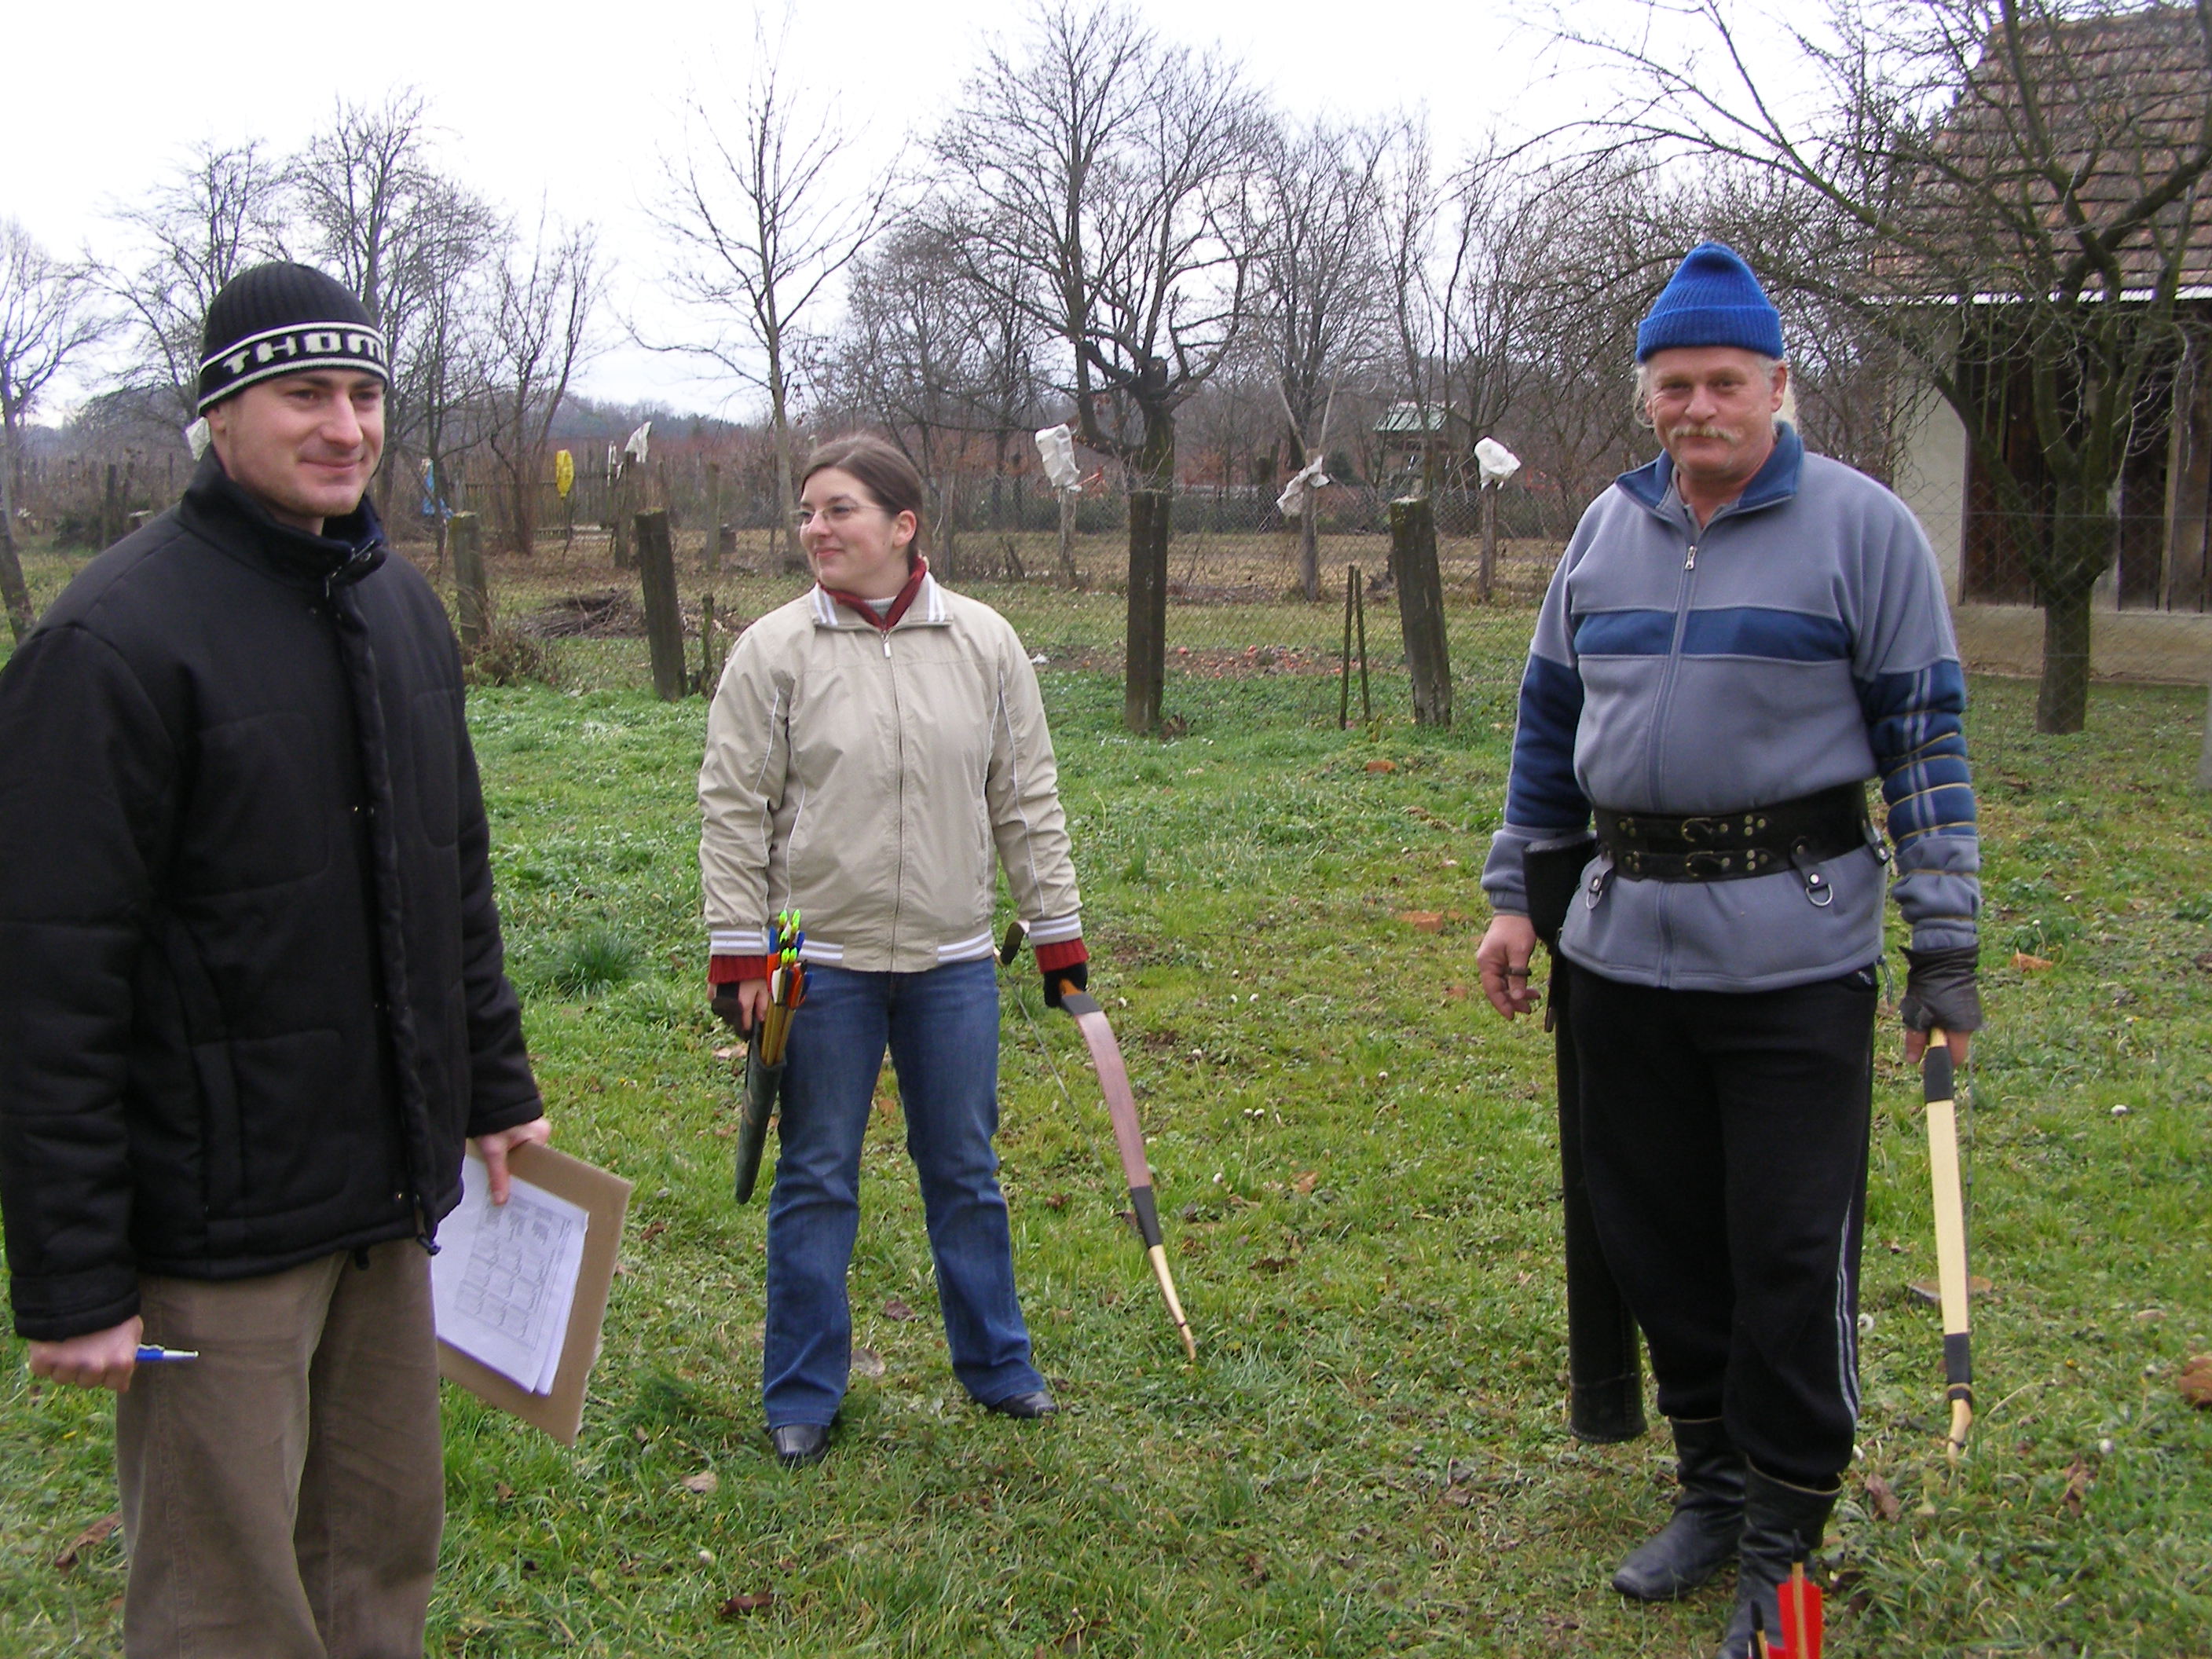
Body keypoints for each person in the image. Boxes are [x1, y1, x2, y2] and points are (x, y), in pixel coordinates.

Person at [0, 261, 550, 1658]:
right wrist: (73, 1273)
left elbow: (453, 876)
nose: (345, 427)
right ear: (220, 415)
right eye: (305, 394)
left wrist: (494, 1085)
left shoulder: (402, 608)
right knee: (224, 1595)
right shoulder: (112, 643)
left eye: (365, 393)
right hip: (215, 1232)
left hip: (386, 1201)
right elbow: (47, 977)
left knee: (379, 1551)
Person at [1474, 243, 1983, 1658]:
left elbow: (1925, 748)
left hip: (1793, 963)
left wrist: (1945, 946)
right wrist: (1517, 896)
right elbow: (1547, 729)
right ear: (1648, 394)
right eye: (1674, 385)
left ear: (1777, 385)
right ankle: (1709, 1484)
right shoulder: (1602, 534)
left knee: (1786, 1250)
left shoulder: (1865, 531)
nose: (1697, 407)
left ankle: (1786, 1536)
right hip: (1621, 952)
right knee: (1655, 1237)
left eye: (1723, 382)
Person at [698, 434, 1086, 1467]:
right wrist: (740, 952)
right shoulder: (773, 652)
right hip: (811, 957)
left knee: (964, 1168)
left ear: (903, 525)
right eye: (807, 513)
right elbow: (734, 809)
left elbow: (1026, 798)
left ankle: (999, 1367)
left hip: (954, 957)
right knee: (817, 1171)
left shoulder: (984, 643)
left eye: (839, 511)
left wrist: (1056, 931)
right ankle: (801, 1393)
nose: (815, 530)